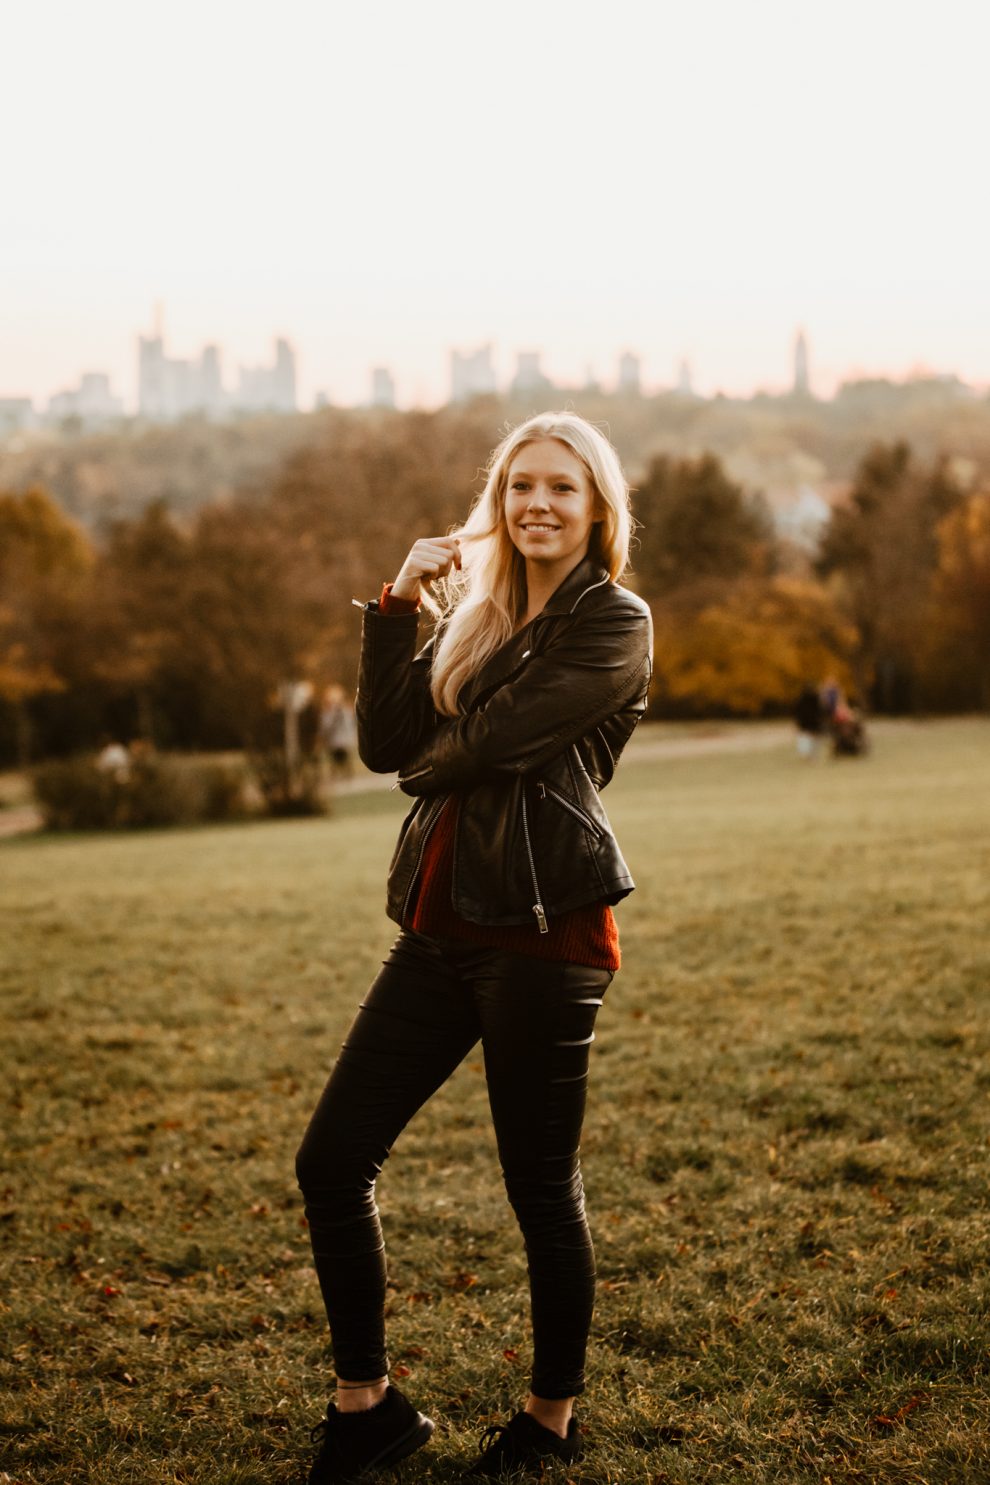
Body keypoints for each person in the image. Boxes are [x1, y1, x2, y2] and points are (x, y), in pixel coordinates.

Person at [295, 412, 653, 1482]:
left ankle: (550, 1419)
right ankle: (367, 1408)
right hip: (441, 930)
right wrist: (400, 608)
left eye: (562, 487)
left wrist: (425, 760)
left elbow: (485, 746)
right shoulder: (477, 617)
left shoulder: (613, 620)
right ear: (499, 503)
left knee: (538, 1186)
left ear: (597, 509)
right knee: (331, 1159)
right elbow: (386, 742)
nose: (537, 504)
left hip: (546, 935)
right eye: (519, 487)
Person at [318, 684, 358, 779]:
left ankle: (347, 774)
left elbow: (349, 724)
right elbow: (326, 726)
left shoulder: (345, 711)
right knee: (335, 759)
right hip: (333, 741)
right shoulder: (328, 712)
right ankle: (337, 774)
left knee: (345, 759)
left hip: (342, 740)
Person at [793, 682, 825, 759]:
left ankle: (807, 754)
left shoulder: (800, 699)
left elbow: (797, 712)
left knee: (806, 738)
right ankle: (813, 755)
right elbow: (820, 711)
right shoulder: (816, 699)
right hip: (814, 722)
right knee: (814, 739)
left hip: (805, 723)